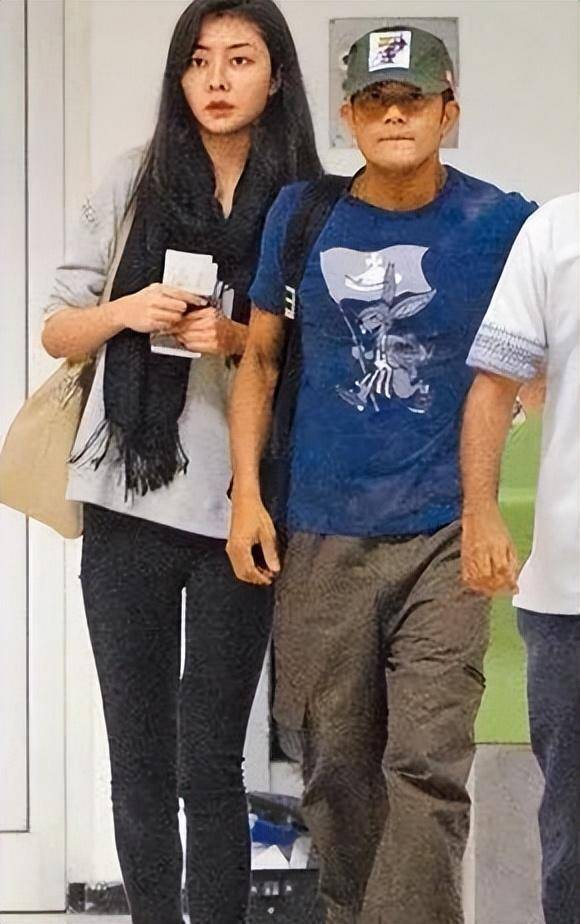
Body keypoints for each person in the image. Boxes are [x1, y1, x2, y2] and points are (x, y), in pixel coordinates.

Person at [226, 24, 537, 924]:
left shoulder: (503, 223)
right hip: (321, 531)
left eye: (413, 99)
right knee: (334, 767)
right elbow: (260, 363)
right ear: (349, 117)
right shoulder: (302, 216)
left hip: (443, 531)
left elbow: (544, 351)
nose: (394, 116)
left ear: (449, 111)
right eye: (375, 101)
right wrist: (247, 497)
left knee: (428, 764)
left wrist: (499, 492)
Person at [41, 1, 322, 921]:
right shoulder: (136, 179)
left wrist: (238, 339)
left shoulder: (305, 203)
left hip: (242, 506)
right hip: (127, 497)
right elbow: (57, 329)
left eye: (240, 59)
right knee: (139, 756)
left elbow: (323, 351)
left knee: (211, 759)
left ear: (276, 77)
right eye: (199, 61)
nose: (216, 79)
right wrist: (130, 311)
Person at [461, 193, 580, 924]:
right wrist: (480, 512)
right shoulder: (556, 230)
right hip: (569, 593)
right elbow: (497, 383)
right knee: (572, 827)